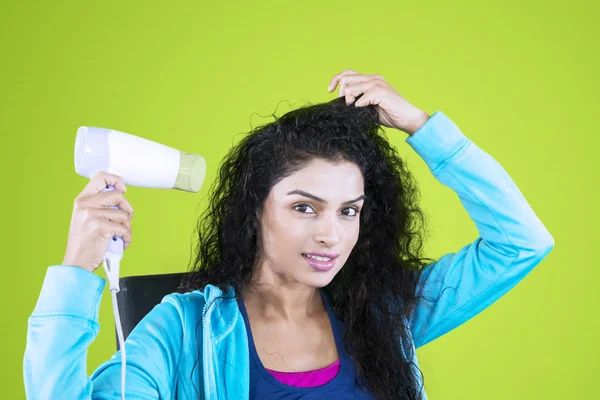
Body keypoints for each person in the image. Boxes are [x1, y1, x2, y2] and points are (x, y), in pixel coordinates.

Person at [23, 69, 554, 400]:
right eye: (305, 207)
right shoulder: (185, 329)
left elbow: (521, 242)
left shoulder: (382, 314)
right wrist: (74, 272)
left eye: (349, 211)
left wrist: (422, 125)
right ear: (256, 208)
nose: (331, 235)